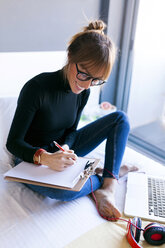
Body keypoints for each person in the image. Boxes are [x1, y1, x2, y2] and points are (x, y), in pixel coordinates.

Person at [6, 20, 134, 220]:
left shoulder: (83, 91)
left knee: (120, 119)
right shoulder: (37, 88)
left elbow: (71, 131)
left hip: (60, 149)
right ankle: (107, 175)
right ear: (69, 56)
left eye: (96, 80)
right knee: (62, 193)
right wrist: (47, 158)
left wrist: (65, 147)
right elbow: (13, 143)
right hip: (30, 156)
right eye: (83, 74)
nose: (86, 84)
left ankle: (108, 188)